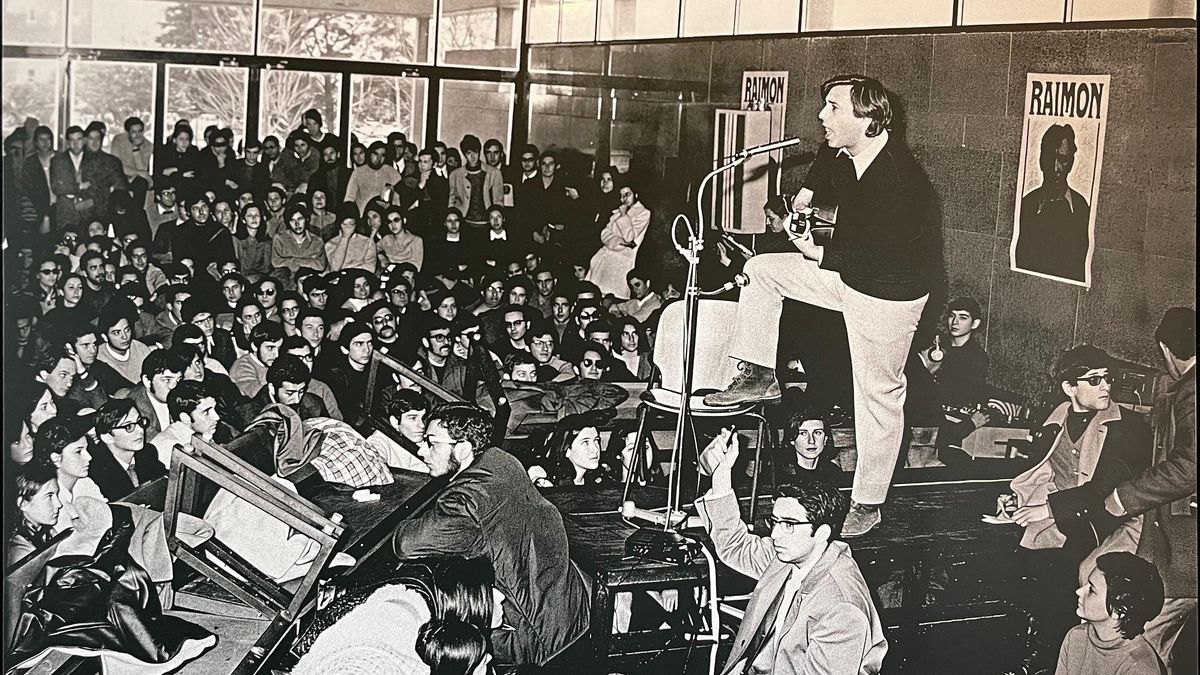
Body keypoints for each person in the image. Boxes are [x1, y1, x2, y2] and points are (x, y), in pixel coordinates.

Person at [704, 74, 940, 537]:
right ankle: (759, 374)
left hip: (889, 295)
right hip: (850, 276)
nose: (821, 116)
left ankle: (868, 502)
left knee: (879, 397)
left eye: (833, 108)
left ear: (868, 120)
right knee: (765, 271)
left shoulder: (899, 181)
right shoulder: (850, 147)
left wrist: (818, 252)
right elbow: (826, 156)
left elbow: (884, 255)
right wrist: (807, 193)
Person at [391, 403, 590, 667]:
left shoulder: (468, 500)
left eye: (432, 443)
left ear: (462, 449)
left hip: (531, 637)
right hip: (569, 611)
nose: (421, 450)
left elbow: (405, 544)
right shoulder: (501, 460)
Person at [696, 428, 887, 673]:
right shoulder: (794, 556)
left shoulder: (842, 609)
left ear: (822, 533)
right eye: (775, 522)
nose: (775, 534)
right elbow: (735, 544)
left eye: (789, 525)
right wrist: (721, 473)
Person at [1076, 308, 1197, 674]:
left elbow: (1191, 465)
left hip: (1182, 540)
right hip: (1156, 521)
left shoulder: (1193, 390)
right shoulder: (1182, 387)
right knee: (1091, 575)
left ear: (1164, 348)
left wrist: (1122, 497)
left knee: (1145, 632)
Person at [1057, 552, 1167, 675]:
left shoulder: (1139, 667)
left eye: (1091, 590)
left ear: (1119, 610)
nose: (1079, 591)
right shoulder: (1075, 637)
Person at [1016, 123, 1092, 284]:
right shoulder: (1027, 205)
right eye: (1050, 159)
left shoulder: (1082, 209)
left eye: (1062, 160)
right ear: (1041, 161)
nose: (1055, 168)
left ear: (1071, 163)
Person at [585, 184, 650, 298]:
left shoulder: (643, 213)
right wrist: (617, 242)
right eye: (621, 196)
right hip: (604, 259)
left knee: (613, 299)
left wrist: (624, 216)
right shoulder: (617, 212)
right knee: (595, 295)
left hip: (622, 262)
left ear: (635, 194)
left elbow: (630, 237)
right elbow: (604, 234)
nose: (624, 198)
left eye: (627, 194)